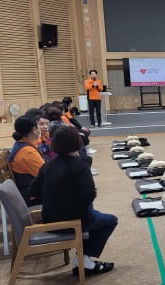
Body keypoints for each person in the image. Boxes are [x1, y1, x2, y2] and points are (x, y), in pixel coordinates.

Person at [28, 127, 117, 276]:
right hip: (72, 221)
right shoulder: (80, 165)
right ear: (77, 142)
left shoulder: (47, 165)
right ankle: (85, 259)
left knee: (94, 215)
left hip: (49, 219)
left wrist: (55, 197)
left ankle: (84, 259)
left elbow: (32, 191)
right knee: (110, 220)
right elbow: (90, 193)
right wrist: (77, 206)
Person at [8, 115, 45, 205]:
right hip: (34, 197)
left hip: (32, 192)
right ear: (34, 130)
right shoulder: (27, 153)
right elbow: (48, 175)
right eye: (38, 126)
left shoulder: (23, 144)